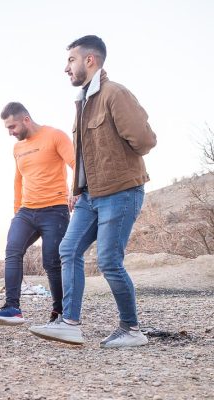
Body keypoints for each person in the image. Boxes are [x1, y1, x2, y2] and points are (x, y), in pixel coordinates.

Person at [29, 35, 157, 348]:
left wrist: (118, 168)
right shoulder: (84, 102)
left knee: (110, 261)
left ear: (90, 60)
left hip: (121, 192)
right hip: (88, 197)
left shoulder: (115, 93)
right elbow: (84, 155)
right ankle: (70, 324)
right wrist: (77, 189)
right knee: (68, 250)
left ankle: (132, 329)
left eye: (71, 60)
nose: (66, 68)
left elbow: (144, 139)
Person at [0, 102, 75, 326]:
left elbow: (76, 163)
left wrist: (76, 191)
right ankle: (12, 308)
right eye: (7, 128)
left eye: (12, 127)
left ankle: (59, 311)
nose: (10, 132)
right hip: (27, 211)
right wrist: (17, 211)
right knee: (13, 250)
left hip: (55, 209)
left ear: (26, 119)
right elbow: (18, 180)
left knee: (52, 262)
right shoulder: (17, 148)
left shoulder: (55, 136)